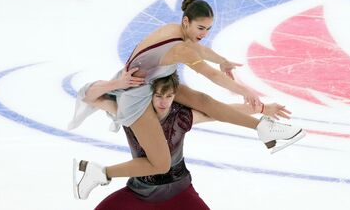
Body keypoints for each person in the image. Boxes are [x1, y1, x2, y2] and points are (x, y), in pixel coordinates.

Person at [69, 0, 305, 200]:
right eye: (201, 28)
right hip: (137, 95)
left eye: (208, 29)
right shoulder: (180, 49)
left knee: (205, 102)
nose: (204, 34)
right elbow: (209, 73)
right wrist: (248, 92)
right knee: (161, 164)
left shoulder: (177, 31)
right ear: (186, 22)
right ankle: (99, 172)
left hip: (155, 80)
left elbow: (199, 50)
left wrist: (222, 60)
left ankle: (263, 127)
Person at [85, 72, 267, 209]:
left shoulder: (181, 116)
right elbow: (90, 97)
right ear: (150, 94)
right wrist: (117, 83)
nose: (163, 102)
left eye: (169, 96)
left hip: (178, 190)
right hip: (140, 192)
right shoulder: (131, 113)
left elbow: (218, 112)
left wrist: (259, 109)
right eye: (158, 96)